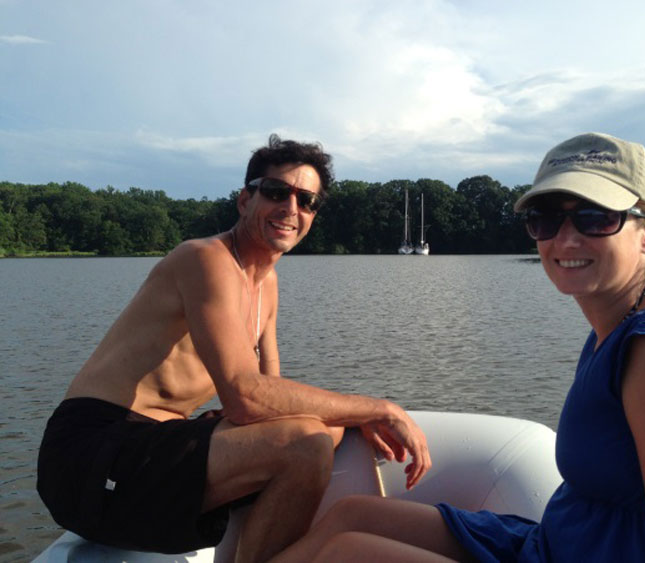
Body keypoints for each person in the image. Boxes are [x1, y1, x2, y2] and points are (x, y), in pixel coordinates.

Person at [269, 132, 645, 562]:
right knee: (351, 516)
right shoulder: (619, 324)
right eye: (545, 218)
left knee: (350, 554)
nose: (565, 237)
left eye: (594, 217)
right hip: (553, 545)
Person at [37, 134, 431, 563]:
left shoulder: (267, 286)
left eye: (307, 201)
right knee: (306, 445)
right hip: (91, 453)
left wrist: (351, 418)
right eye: (277, 192)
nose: (291, 209)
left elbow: (272, 395)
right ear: (245, 199)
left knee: (325, 431)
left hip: (152, 450)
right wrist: (379, 409)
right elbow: (245, 398)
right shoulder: (205, 259)